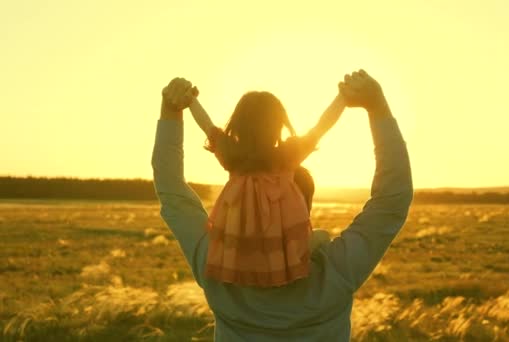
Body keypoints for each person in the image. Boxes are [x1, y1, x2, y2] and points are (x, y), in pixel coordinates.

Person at [151, 69, 413, 341]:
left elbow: (171, 189)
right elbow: (391, 201)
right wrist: (377, 106)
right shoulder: (336, 271)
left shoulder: (216, 266)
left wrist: (171, 111)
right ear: (303, 209)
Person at [180, 85, 345, 287]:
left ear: (239, 123)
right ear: (277, 125)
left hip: (239, 233)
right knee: (315, 241)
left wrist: (191, 101)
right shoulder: (286, 155)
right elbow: (321, 127)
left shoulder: (232, 154)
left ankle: (245, 276)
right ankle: (282, 277)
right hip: (282, 243)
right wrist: (342, 98)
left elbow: (206, 125)